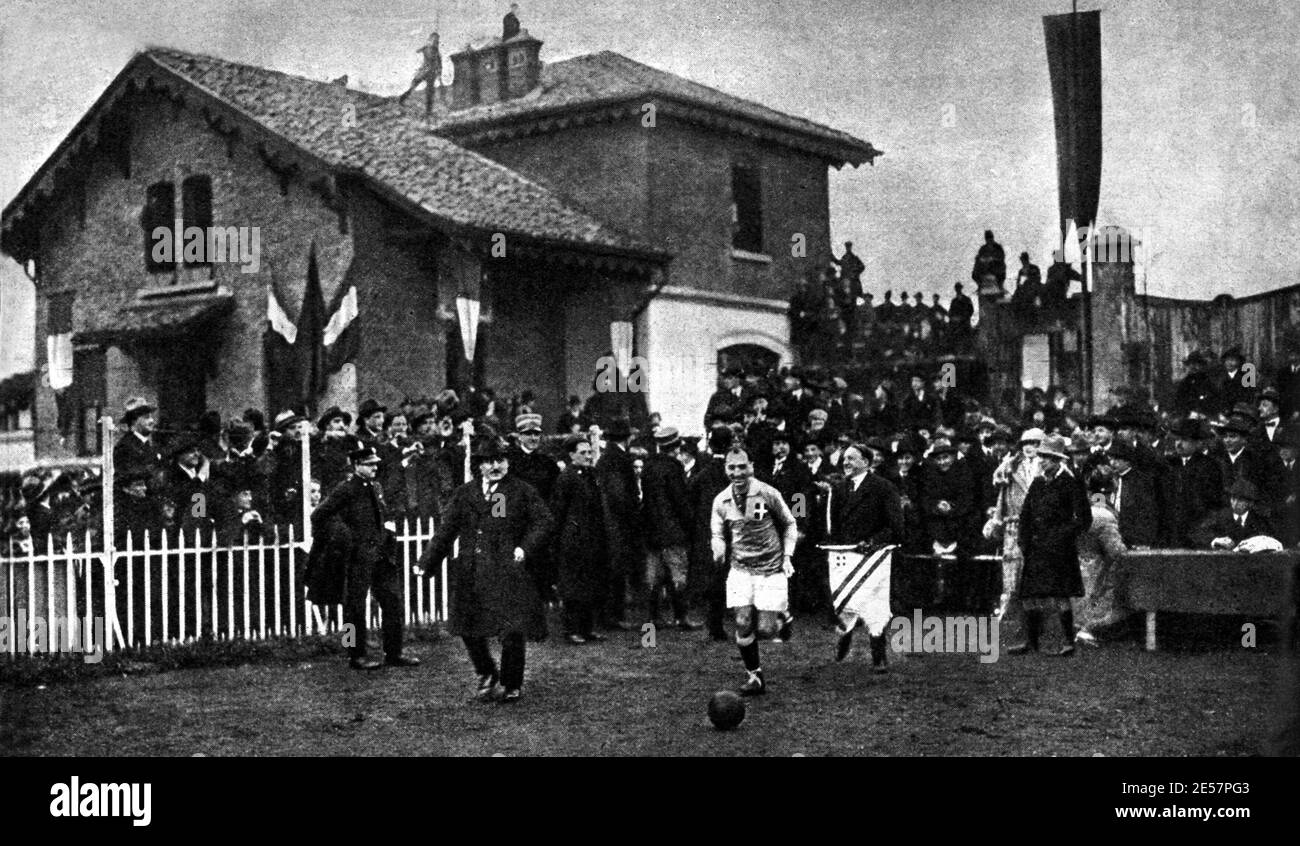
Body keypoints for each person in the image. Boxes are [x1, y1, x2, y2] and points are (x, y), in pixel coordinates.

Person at [416, 438, 553, 702]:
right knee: (468, 627)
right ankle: (486, 672)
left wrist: (524, 548)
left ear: (508, 462)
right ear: (478, 466)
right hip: (471, 570)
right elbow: (446, 532)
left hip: (507, 570)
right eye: (488, 462)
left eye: (500, 460)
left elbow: (543, 521)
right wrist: (427, 562)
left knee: (512, 629)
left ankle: (512, 683)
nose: (495, 466)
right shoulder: (465, 494)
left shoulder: (520, 491)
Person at [309, 445, 418, 670]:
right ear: (357, 466)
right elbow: (319, 515)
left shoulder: (375, 487)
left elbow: (379, 515)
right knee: (354, 607)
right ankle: (354, 654)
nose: (374, 467)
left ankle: (394, 652)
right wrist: (345, 538)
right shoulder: (346, 489)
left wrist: (386, 532)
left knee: (392, 602)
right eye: (369, 464)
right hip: (357, 558)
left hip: (380, 556)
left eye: (376, 464)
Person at [710, 448, 799, 696]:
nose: (737, 473)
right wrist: (718, 547)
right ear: (725, 468)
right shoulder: (721, 500)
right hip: (741, 569)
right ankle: (754, 675)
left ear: (751, 466)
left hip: (770, 569)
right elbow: (717, 532)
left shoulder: (767, 493)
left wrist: (787, 555)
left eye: (742, 467)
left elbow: (790, 523)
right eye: (731, 467)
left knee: (767, 631)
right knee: (742, 622)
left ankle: (782, 616)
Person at [1009, 434, 1091, 657]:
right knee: (1029, 595)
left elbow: (1084, 519)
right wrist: (1024, 542)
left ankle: (1067, 642)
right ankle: (1030, 641)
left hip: (1059, 549)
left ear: (1058, 459)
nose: (1042, 460)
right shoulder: (1038, 482)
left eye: (1047, 457)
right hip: (1036, 547)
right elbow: (1026, 515)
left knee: (1060, 595)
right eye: (1041, 456)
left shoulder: (1071, 482)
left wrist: (1061, 536)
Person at [826, 444, 904, 666]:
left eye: (851, 458)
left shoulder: (884, 488)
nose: (846, 462)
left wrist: (873, 542)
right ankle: (844, 636)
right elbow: (835, 527)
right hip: (846, 557)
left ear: (866, 463)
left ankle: (878, 654)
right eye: (844, 459)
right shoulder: (839, 490)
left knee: (875, 605)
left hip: (874, 558)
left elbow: (895, 526)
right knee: (845, 601)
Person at [640, 428, 700, 630]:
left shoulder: (648, 466)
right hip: (672, 530)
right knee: (678, 574)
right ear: (676, 446)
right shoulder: (674, 467)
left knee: (654, 576)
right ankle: (681, 617)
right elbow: (680, 500)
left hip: (651, 529)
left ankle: (653, 617)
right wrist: (690, 523)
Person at [549, 434, 609, 643]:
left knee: (590, 584)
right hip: (573, 539)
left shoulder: (591, 475)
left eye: (589, 452)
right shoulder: (566, 478)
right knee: (573, 587)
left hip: (591, 537)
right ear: (571, 455)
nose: (588, 456)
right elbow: (558, 512)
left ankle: (587, 628)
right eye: (582, 453)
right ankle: (571, 630)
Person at [1073, 474, 1129, 646]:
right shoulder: (1104, 515)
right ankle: (1088, 630)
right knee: (1102, 600)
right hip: (1098, 565)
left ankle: (1079, 628)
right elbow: (1116, 551)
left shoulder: (1081, 512)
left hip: (1080, 562)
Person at [1189, 479, 1277, 550]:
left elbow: (1270, 540)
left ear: (1250, 503)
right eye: (1233, 498)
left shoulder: (1259, 520)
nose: (1235, 503)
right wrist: (1216, 540)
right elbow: (1196, 533)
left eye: (1240, 500)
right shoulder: (1220, 516)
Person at [113, 398, 163, 494]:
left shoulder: (148, 445)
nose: (152, 421)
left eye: (151, 417)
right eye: (146, 417)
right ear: (134, 421)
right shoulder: (125, 446)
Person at [397, 31, 443, 112]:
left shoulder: (436, 51)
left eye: (437, 40)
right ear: (430, 39)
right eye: (434, 39)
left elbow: (440, 64)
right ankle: (402, 99)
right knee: (413, 86)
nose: (435, 42)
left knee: (430, 93)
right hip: (423, 71)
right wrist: (425, 47)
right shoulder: (426, 48)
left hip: (431, 74)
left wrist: (439, 75)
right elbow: (417, 51)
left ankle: (428, 112)